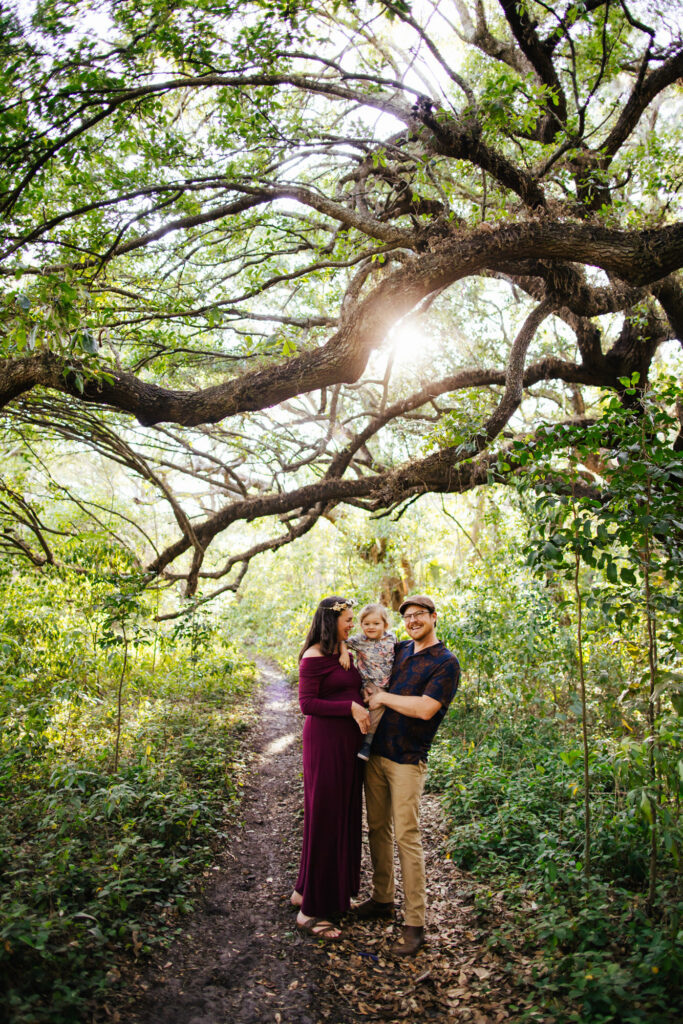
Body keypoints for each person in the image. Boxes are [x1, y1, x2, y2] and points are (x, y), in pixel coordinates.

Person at [353, 595, 460, 957]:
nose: (413, 621)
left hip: (407, 760)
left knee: (407, 838)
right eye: (408, 616)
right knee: (377, 829)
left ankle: (415, 923)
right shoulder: (398, 650)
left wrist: (383, 698)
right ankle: (382, 899)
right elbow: (365, 651)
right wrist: (342, 654)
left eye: (419, 615)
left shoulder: (445, 662)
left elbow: (426, 708)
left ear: (433, 618)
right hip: (376, 755)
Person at [291, 596, 371, 941]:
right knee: (325, 817)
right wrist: (351, 709)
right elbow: (307, 704)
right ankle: (310, 912)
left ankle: (305, 891)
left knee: (340, 817)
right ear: (330, 621)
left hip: (347, 747)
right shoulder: (312, 657)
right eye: (348, 620)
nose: (352, 624)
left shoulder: (344, 652)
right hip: (325, 744)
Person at [338, 603, 396, 762]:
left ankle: (374, 740)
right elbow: (343, 642)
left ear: (385, 624)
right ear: (361, 625)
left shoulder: (392, 638)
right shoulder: (359, 640)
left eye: (376, 623)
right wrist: (344, 653)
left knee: (385, 708)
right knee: (377, 706)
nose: (371, 627)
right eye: (366, 624)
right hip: (370, 682)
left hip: (389, 682)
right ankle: (367, 743)